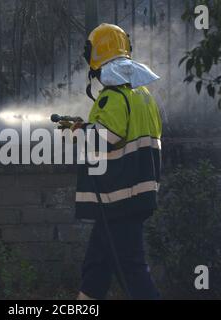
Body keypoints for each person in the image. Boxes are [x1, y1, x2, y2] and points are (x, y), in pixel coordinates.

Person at [64, 23, 162, 300]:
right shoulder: (142, 94)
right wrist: (85, 126)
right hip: (134, 195)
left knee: (132, 270)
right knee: (97, 267)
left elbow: (107, 137)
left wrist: (79, 131)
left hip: (119, 197)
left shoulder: (114, 95)